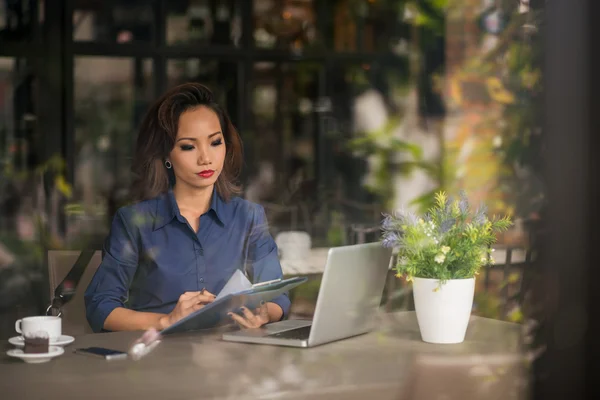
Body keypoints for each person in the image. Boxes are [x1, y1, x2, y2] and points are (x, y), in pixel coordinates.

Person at [84, 83, 290, 333]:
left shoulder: (248, 216)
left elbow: (278, 297)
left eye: (215, 142)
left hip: (231, 358)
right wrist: (165, 321)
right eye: (188, 146)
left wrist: (264, 314)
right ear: (167, 155)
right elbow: (100, 307)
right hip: (157, 358)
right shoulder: (134, 222)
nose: (205, 157)